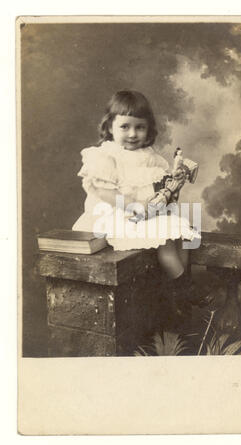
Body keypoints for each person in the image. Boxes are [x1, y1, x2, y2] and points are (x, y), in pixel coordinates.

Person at [72, 90, 204, 324]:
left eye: (140, 127)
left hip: (145, 212)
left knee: (183, 232)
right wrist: (131, 206)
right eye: (125, 127)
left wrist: (172, 183)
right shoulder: (105, 155)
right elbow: (104, 191)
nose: (133, 134)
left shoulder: (151, 157)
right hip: (116, 213)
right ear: (110, 126)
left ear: (149, 129)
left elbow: (160, 189)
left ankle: (180, 287)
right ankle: (183, 288)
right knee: (165, 239)